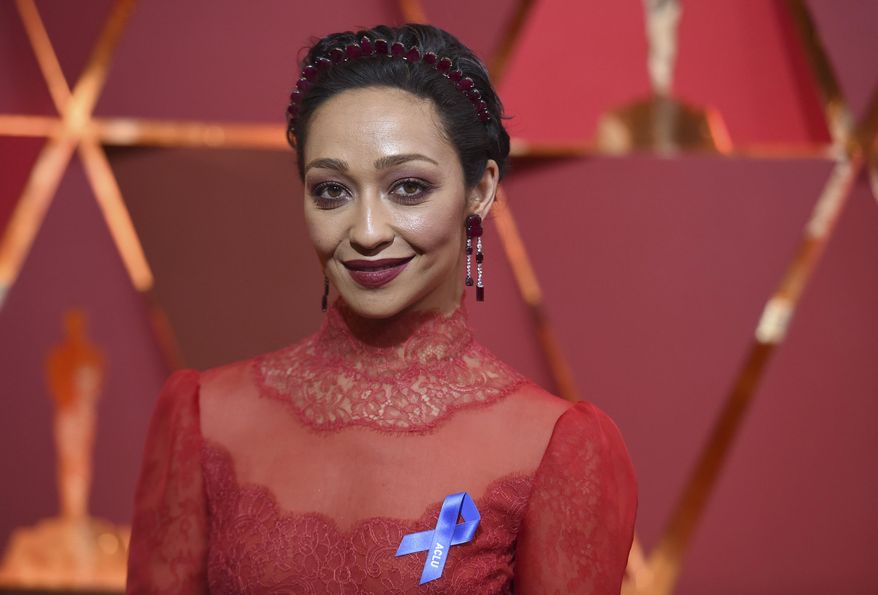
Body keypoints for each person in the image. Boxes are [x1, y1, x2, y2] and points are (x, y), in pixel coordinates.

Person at [126, 23, 637, 594]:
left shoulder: (554, 448)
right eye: (332, 191)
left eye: (408, 188)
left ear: (481, 190)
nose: (367, 232)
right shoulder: (203, 419)